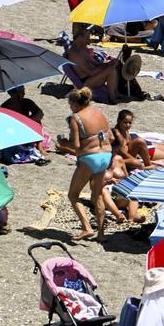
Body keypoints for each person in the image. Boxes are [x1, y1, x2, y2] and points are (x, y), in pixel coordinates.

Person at [59, 87, 113, 242]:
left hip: (90, 158)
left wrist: (63, 144)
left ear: (76, 103)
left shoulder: (76, 118)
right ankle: (101, 234)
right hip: (106, 155)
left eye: (70, 104)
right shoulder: (99, 112)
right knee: (97, 195)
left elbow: (75, 145)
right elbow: (111, 137)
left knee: (73, 195)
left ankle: (86, 227)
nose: (70, 107)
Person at [67, 27, 122, 103]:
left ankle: (116, 93)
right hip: (85, 82)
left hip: (91, 77)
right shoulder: (75, 54)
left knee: (113, 66)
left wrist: (108, 64)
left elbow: (96, 64)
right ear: (80, 37)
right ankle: (112, 97)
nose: (89, 39)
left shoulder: (82, 49)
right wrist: (107, 66)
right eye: (87, 37)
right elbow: (90, 72)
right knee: (110, 70)